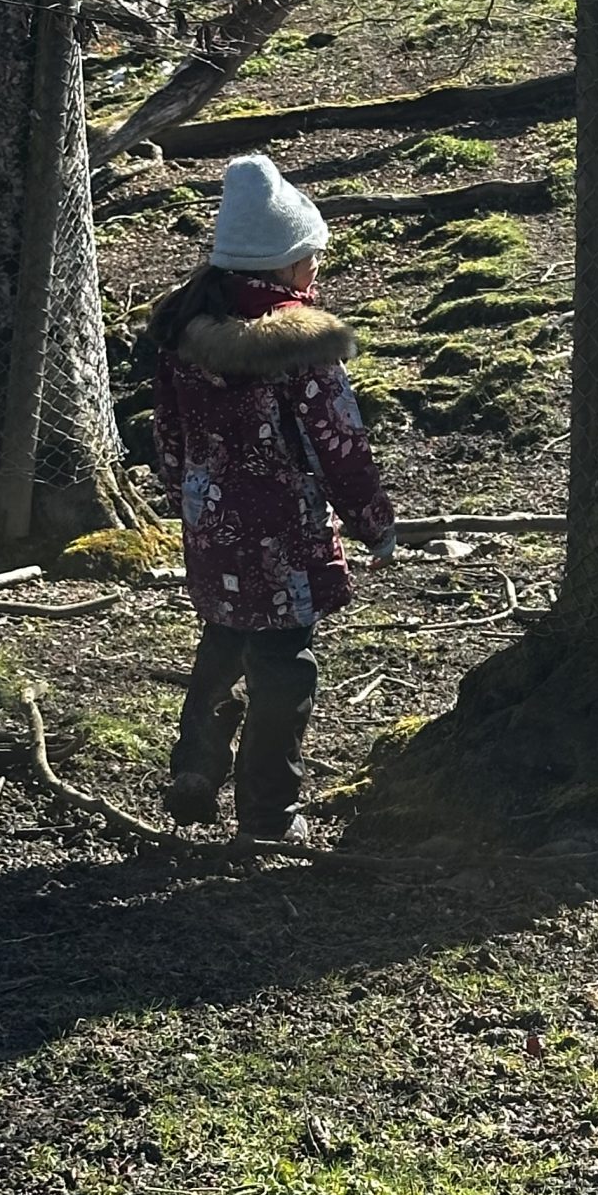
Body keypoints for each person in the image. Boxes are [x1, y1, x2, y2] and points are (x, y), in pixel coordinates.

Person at [148, 154, 397, 844]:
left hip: (211, 524)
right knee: (284, 669)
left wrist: (184, 497)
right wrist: (374, 522)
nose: (316, 270)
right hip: (284, 535)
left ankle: (194, 767)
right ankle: (270, 815)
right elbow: (338, 444)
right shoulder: (302, 342)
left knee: (223, 640)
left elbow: (167, 429)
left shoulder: (184, 328)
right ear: (285, 264)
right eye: (311, 257)